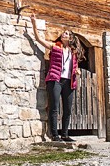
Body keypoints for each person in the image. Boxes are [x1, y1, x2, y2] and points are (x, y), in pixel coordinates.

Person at [31, 13, 85, 142]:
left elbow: (75, 67)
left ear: (70, 38)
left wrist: (77, 71)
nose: (63, 34)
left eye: (66, 33)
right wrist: (34, 24)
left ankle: (65, 134)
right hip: (55, 79)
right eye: (63, 33)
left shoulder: (73, 52)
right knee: (54, 107)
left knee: (67, 109)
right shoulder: (55, 47)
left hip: (69, 82)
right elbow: (39, 39)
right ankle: (55, 135)